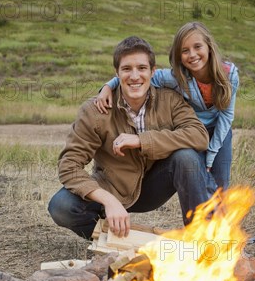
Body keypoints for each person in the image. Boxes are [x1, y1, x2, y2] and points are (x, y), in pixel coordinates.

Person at [48, 36, 210, 239]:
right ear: (117, 73)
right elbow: (69, 166)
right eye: (126, 69)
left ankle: (202, 239)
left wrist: (142, 140)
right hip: (112, 187)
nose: (135, 76)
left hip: (153, 187)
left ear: (153, 71)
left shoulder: (170, 100)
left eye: (142, 68)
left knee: (187, 157)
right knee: (61, 206)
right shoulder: (95, 110)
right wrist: (108, 200)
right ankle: (111, 241)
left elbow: (199, 136)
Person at [95, 22, 239, 191]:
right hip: (191, 129)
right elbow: (140, 77)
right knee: (201, 180)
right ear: (178, 55)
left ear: (209, 46)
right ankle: (202, 216)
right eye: (185, 51)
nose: (192, 55)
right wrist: (108, 86)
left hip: (219, 129)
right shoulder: (175, 77)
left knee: (221, 182)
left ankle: (223, 216)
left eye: (197, 47)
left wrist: (212, 153)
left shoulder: (228, 74)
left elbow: (226, 115)